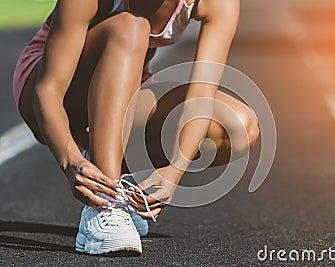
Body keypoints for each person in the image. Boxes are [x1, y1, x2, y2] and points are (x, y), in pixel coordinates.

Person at [13, 0, 259, 255]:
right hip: (49, 85)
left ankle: (120, 183)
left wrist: (173, 172)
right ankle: (104, 205)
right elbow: (48, 90)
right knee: (133, 27)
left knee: (238, 126)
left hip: (122, 84)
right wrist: (69, 159)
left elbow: (200, 100)